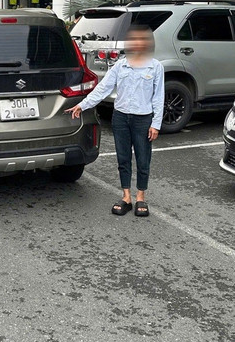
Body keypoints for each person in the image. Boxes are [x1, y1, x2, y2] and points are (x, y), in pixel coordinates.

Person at [67, 25, 164, 217]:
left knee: (143, 159)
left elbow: (158, 97)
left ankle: (141, 197)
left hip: (143, 119)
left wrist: (156, 124)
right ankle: (126, 197)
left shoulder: (156, 67)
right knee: (123, 158)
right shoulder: (120, 65)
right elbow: (103, 88)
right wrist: (82, 105)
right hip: (121, 118)